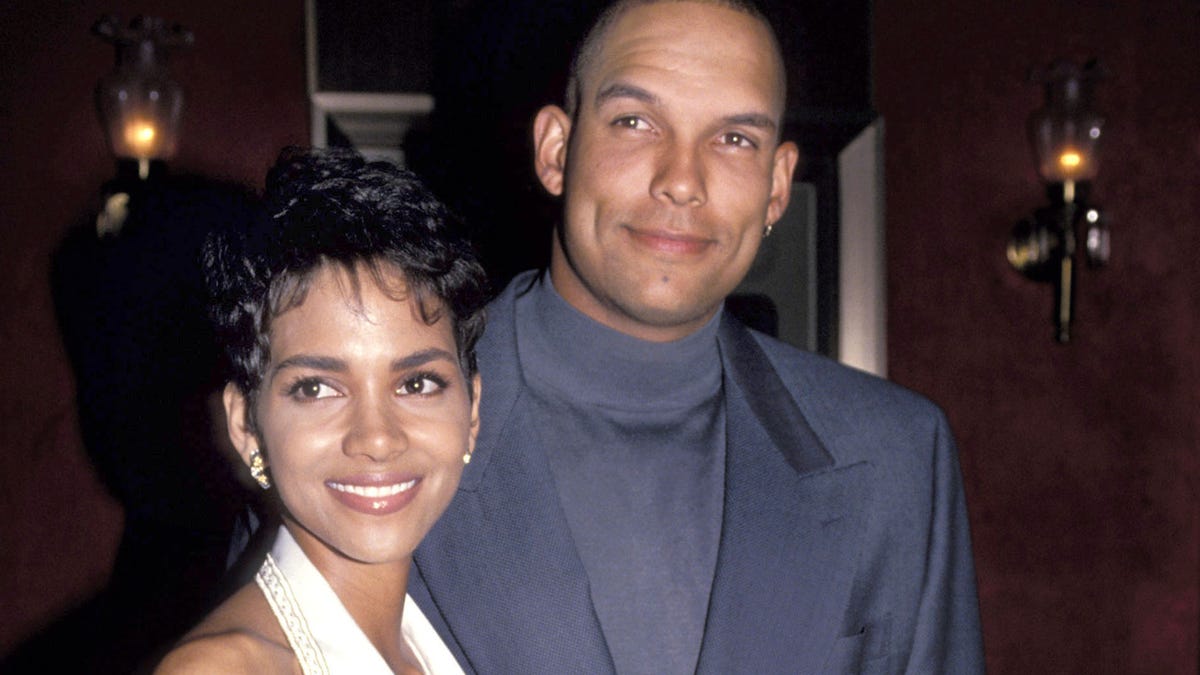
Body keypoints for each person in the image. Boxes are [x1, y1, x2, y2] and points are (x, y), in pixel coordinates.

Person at [407, 1, 985, 673]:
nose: (682, 180)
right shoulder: (374, 429)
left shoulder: (897, 457)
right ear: (556, 151)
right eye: (635, 122)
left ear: (777, 185)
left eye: (734, 137)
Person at [155, 148, 489, 674]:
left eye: (417, 383)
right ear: (246, 425)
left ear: (471, 411)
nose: (377, 438)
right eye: (316, 389)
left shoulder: (437, 644)